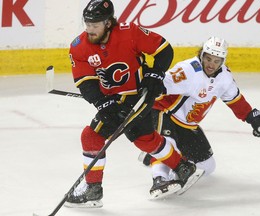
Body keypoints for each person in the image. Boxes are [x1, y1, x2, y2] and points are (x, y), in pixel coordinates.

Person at [65, 0, 198, 208]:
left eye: (95, 25)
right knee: (144, 139)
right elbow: (86, 82)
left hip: (138, 96)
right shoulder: (79, 46)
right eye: (87, 24)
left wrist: (155, 75)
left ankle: (93, 190)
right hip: (114, 100)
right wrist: (103, 103)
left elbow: (163, 49)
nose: (90, 30)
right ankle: (182, 166)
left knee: (91, 136)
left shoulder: (130, 33)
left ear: (108, 23)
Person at [138, 36, 260, 198]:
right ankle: (160, 179)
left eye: (216, 61)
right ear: (202, 55)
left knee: (207, 167)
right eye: (208, 58)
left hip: (187, 125)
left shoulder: (224, 78)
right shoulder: (188, 70)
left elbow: (235, 100)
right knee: (167, 145)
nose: (211, 64)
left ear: (222, 61)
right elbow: (160, 84)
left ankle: (154, 156)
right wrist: (151, 86)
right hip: (164, 112)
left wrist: (252, 117)